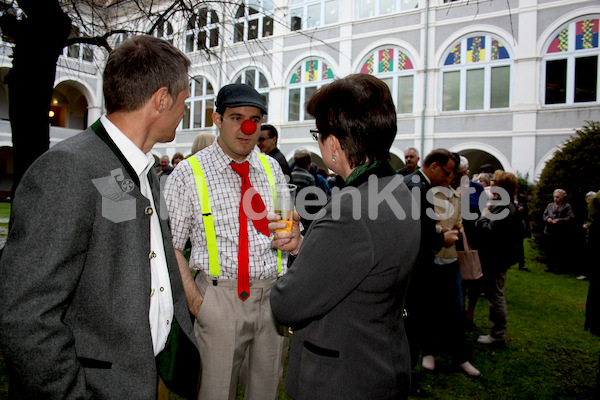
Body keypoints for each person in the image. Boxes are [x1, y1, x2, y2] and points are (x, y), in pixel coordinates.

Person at [0, 35, 198, 399]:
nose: (184, 110)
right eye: (184, 99)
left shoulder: (144, 171)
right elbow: (27, 316)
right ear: (162, 99)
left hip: (147, 376)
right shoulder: (65, 170)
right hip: (98, 387)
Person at [270, 73, 420, 400]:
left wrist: (293, 265)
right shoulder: (398, 190)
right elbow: (362, 266)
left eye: (318, 134)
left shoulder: (348, 211)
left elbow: (286, 305)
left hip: (342, 378)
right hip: (380, 362)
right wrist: (305, 247)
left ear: (335, 144)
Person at [164, 83, 291, 400]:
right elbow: (171, 247)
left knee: (265, 393)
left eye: (255, 119)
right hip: (219, 300)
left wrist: (290, 236)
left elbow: (284, 229)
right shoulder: (187, 173)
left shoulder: (271, 167)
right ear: (216, 119)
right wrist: (199, 304)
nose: (247, 128)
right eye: (237, 117)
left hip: (271, 300)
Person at [403, 148, 460, 395]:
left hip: (408, 268)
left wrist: (435, 229)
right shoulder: (421, 188)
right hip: (415, 271)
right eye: (447, 173)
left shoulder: (410, 181)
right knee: (412, 327)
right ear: (435, 166)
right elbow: (416, 236)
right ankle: (404, 380)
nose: (448, 180)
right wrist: (442, 239)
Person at [420, 156, 481, 377]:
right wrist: (440, 233)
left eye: (455, 174)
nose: (451, 177)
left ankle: (460, 356)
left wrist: (457, 228)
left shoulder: (456, 197)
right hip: (431, 260)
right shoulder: (425, 195)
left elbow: (460, 221)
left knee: (456, 309)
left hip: (452, 260)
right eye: (450, 173)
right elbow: (421, 226)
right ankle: (429, 352)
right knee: (430, 308)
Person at [476, 170, 521, 345]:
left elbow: (492, 232)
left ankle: (498, 333)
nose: (491, 183)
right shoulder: (505, 204)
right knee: (495, 292)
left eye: (494, 181)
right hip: (498, 257)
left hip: (496, 258)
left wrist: (483, 218)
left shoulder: (504, 207)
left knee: (495, 295)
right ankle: (497, 331)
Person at [542, 189, 575, 274]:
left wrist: (559, 220)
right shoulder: (550, 205)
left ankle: (558, 268)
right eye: (554, 197)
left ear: (562, 198)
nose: (555, 199)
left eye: (557, 197)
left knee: (559, 250)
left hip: (560, 232)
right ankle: (550, 266)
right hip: (549, 230)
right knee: (550, 249)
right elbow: (545, 214)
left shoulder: (567, 206)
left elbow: (571, 217)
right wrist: (548, 219)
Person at [579, 191, 598, 280]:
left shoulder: (594, 208)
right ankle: (586, 273)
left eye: (589, 199)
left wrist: (588, 225)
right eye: (587, 199)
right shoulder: (586, 209)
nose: (588, 201)